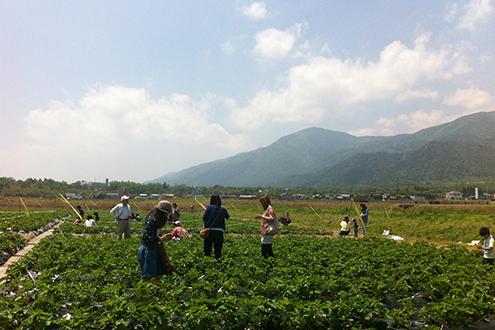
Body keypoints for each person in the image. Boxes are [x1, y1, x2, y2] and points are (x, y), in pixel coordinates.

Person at [137, 200, 174, 280]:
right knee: (149, 277)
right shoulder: (152, 221)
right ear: (163, 212)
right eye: (167, 214)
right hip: (148, 249)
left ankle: (155, 289)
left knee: (157, 274)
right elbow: (148, 238)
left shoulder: (155, 219)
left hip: (152, 248)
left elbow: (154, 234)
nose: (167, 216)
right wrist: (161, 238)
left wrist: (161, 237)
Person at [202, 194, 230, 259]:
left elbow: (204, 218)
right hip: (219, 232)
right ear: (219, 200)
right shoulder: (222, 209)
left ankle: (207, 263)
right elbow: (227, 217)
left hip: (208, 231)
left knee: (207, 250)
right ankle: (217, 263)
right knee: (218, 250)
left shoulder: (209, 208)